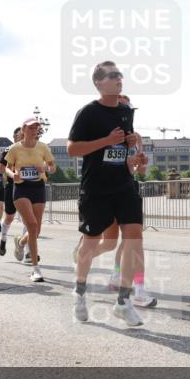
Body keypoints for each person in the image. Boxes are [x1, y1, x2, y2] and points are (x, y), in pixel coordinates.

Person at [68, 61, 148, 326]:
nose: (119, 78)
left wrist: (132, 149)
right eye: (112, 75)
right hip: (96, 188)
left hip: (124, 184)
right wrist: (106, 141)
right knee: (90, 242)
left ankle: (124, 301)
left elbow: (122, 151)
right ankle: (79, 292)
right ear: (98, 83)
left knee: (134, 236)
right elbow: (72, 149)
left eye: (120, 74)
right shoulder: (88, 112)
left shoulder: (126, 112)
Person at [5, 118, 55, 282]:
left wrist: (45, 168)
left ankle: (20, 242)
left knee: (36, 230)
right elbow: (7, 168)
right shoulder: (14, 148)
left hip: (38, 187)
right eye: (31, 128)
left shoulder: (43, 147)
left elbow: (53, 167)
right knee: (32, 225)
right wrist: (13, 174)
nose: (34, 130)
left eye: (36, 128)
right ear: (23, 130)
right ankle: (36, 269)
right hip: (21, 188)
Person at [0, 127, 23, 256]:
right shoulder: (9, 149)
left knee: (29, 219)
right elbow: (0, 169)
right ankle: (3, 239)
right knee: (9, 217)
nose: (23, 136)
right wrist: (11, 169)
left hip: (28, 187)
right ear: (15, 137)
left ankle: (28, 250)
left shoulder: (31, 148)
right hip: (12, 186)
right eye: (20, 134)